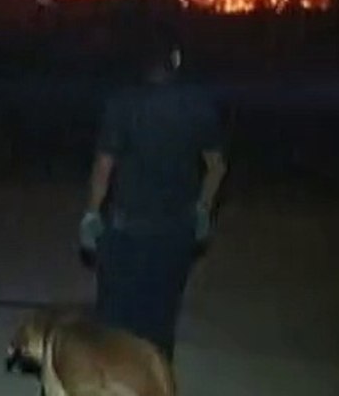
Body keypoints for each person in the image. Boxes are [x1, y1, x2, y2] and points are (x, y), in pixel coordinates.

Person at [78, 32, 227, 361]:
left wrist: (91, 214)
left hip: (126, 231)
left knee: (115, 324)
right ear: (176, 63)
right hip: (175, 233)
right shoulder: (198, 103)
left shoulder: (123, 103)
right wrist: (202, 209)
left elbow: (103, 167)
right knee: (160, 325)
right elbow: (216, 166)